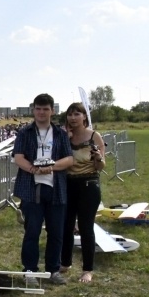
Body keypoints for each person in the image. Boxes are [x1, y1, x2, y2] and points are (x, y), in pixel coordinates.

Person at [12, 94, 73, 285]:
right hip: (31, 188)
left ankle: (53, 270)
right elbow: (18, 157)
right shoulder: (25, 132)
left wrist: (51, 167)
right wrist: (32, 169)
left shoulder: (61, 134)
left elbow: (69, 159)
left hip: (56, 189)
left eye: (45, 109)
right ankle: (30, 270)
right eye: (38, 108)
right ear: (33, 110)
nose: (41, 112)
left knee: (56, 232)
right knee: (32, 231)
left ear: (52, 111)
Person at [60, 102, 106, 284]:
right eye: (70, 114)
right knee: (66, 226)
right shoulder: (64, 136)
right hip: (68, 184)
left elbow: (101, 167)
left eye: (77, 114)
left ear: (84, 117)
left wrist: (98, 158)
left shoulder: (94, 136)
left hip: (88, 184)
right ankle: (65, 263)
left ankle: (88, 269)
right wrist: (65, 137)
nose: (73, 118)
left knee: (86, 228)